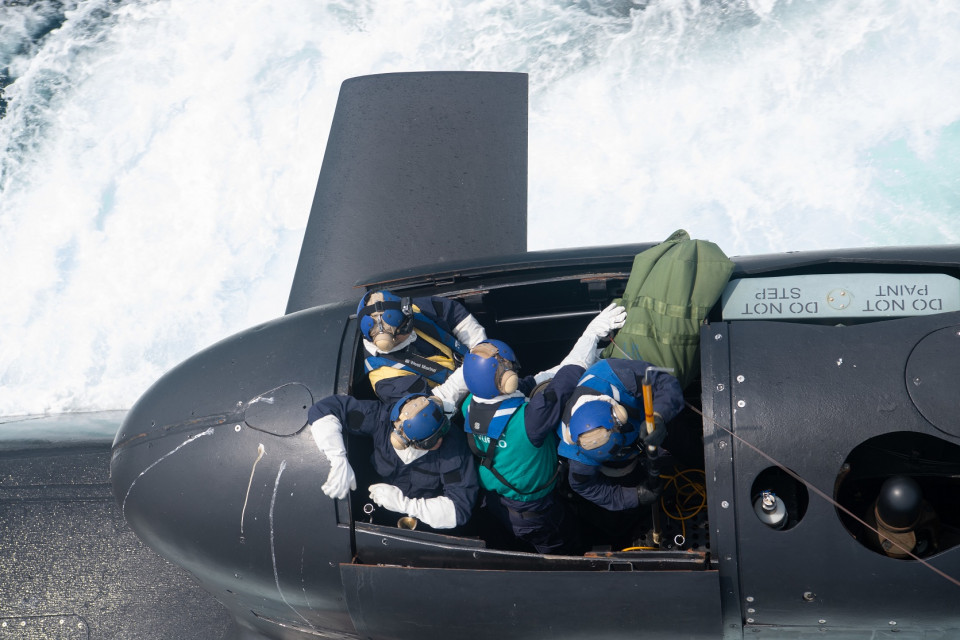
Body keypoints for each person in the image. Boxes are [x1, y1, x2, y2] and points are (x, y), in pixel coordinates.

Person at [461, 303, 626, 554]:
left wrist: (589, 355)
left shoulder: (470, 405)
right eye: (509, 368)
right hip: (535, 512)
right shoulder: (531, 419)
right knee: (563, 546)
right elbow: (567, 377)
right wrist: (591, 334)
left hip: (499, 500)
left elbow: (538, 381)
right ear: (505, 381)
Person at [557, 358, 683, 548]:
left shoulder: (616, 375)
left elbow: (666, 383)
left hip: (653, 421)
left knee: (684, 441)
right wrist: (636, 496)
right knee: (624, 513)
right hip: (622, 465)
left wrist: (659, 416)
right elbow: (585, 485)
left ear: (619, 415)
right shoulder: (578, 453)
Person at [308, 392, 478, 530]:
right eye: (430, 442)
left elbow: (459, 508)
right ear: (403, 441)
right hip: (376, 497)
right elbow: (324, 410)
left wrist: (406, 505)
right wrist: (337, 458)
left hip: (421, 516)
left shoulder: (453, 447)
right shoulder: (380, 418)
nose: (440, 441)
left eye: (443, 430)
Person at [357, 289, 487, 406]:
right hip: (459, 404)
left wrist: (478, 346)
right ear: (395, 337)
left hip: (474, 364)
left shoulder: (406, 310)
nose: (411, 320)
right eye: (406, 324)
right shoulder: (385, 380)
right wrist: (474, 366)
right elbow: (431, 403)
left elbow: (453, 312)